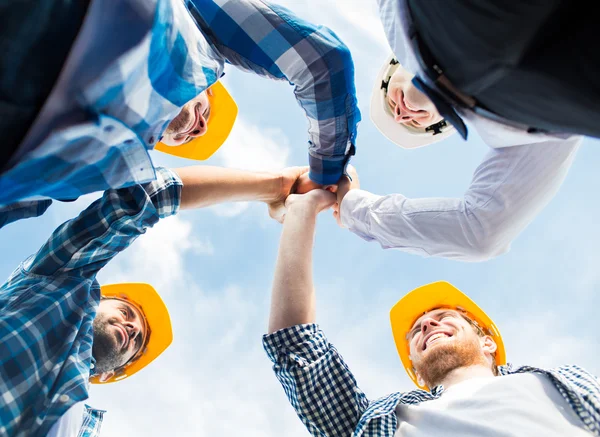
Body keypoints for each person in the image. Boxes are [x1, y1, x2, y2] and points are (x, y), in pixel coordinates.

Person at [0, 163, 310, 437]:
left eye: (136, 343)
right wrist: (277, 186)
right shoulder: (55, 284)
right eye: (126, 310)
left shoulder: (83, 427)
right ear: (99, 299)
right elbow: (148, 198)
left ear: (109, 374)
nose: (132, 327)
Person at [264, 190, 600, 436]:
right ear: (416, 370)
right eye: (415, 332)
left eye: (443, 315)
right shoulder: (375, 421)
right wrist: (303, 210)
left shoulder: (560, 382)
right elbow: (295, 343)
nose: (426, 323)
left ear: (488, 343)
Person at [0, 0, 359, 229]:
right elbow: (321, 63)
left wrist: (280, 189)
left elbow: (157, 198)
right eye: (207, 107)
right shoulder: (196, 22)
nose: (200, 126)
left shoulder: (101, 174)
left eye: (188, 138)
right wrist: (324, 174)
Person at [332, 0, 587, 261]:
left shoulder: (398, 12)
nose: (400, 114)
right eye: (412, 124)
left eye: (389, 103)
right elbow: (480, 232)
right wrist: (353, 207)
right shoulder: (520, 131)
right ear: (444, 123)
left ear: (393, 67)